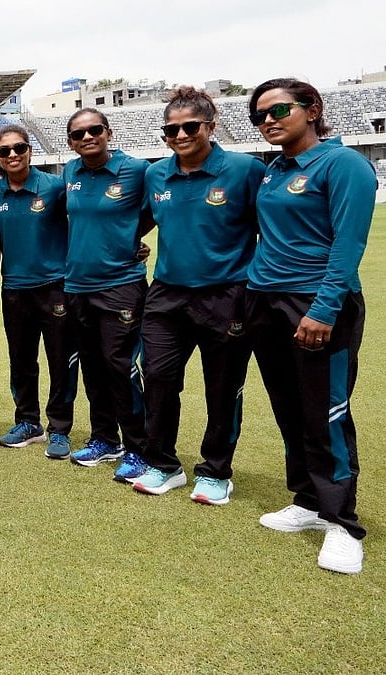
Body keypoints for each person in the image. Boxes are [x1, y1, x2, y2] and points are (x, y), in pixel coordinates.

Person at [244, 78, 376, 574]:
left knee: (327, 411)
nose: (269, 121)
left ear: (312, 109)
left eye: (279, 110)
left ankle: (343, 524)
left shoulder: (343, 164)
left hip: (317, 303)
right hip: (265, 301)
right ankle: (307, 501)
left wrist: (322, 309)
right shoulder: (272, 170)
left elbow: (348, 244)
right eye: (260, 116)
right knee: (289, 406)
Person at [131, 87, 264, 503]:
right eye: (171, 128)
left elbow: (271, 228)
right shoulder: (156, 174)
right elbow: (144, 220)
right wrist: (136, 243)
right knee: (157, 379)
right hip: (167, 295)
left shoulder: (245, 170)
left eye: (190, 126)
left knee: (222, 386)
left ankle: (216, 471)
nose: (181, 134)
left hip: (226, 296)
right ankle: (163, 464)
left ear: (210, 125)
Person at [61, 109, 153, 482]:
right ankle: (104, 439)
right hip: (78, 285)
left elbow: (155, 211)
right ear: (70, 141)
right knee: (93, 366)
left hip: (120, 285)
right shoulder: (70, 172)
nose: (87, 138)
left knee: (121, 366)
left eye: (94, 130)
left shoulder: (136, 170)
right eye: (78, 133)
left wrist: (131, 239)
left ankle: (138, 447)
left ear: (107, 132)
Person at [0, 125, 77, 459]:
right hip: (14, 289)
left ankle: (59, 428)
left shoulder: (55, 188)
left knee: (60, 361)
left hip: (55, 287)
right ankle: (28, 422)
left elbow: (89, 219)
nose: (13, 155)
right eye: (5, 151)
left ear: (30, 150)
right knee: (21, 361)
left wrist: (132, 243)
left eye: (19, 148)